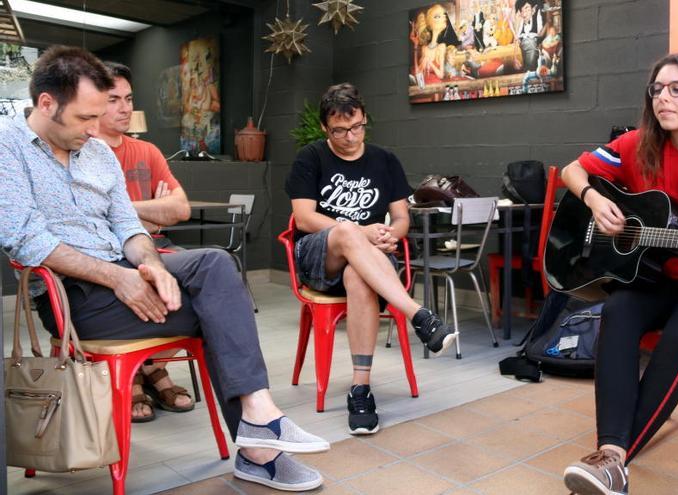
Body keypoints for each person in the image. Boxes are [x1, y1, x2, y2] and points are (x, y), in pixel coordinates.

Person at [0, 45, 328, 492]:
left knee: (215, 264)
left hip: (125, 274)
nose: (95, 129)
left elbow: (127, 224)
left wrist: (150, 265)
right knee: (220, 312)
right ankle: (260, 449)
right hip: (71, 297)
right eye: (84, 119)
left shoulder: (96, 154)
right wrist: (119, 277)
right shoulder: (8, 147)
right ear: (46, 104)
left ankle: (259, 421)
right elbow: (27, 239)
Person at [560, 52, 678, 495]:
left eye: (676, 89)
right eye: (657, 90)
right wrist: (593, 198)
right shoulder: (637, 145)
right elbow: (573, 171)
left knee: (677, 341)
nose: (662, 99)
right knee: (617, 311)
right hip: (657, 277)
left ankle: (611, 460)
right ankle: (612, 459)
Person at [285, 83, 458, 436]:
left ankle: (360, 390)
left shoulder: (385, 160)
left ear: (365, 120)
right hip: (320, 258)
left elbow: (401, 218)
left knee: (358, 277)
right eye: (340, 130)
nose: (350, 137)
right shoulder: (311, 156)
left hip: (370, 263)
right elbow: (303, 218)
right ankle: (418, 315)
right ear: (324, 128)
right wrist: (363, 232)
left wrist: (389, 236)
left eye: (357, 127)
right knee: (348, 232)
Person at [97, 61, 194, 424]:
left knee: (195, 274)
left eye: (128, 99)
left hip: (157, 244)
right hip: (110, 251)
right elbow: (97, 220)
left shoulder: (148, 151)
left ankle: (152, 367)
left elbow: (180, 208)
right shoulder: (86, 152)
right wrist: (154, 209)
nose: (124, 108)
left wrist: (125, 208)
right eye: (113, 100)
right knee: (134, 276)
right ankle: (147, 373)